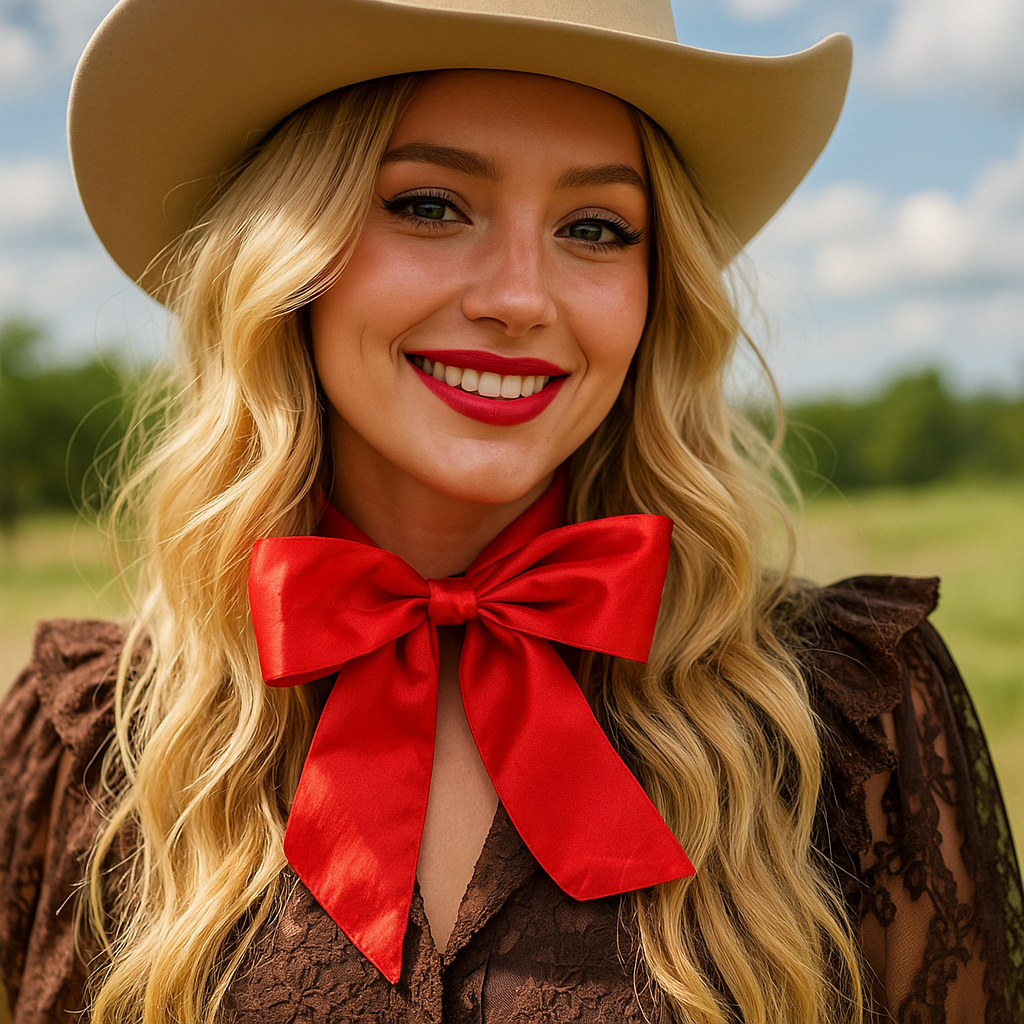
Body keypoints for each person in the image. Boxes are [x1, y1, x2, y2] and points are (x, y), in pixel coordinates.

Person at [1, 1, 1021, 1022]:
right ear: (288, 251)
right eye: (431, 205)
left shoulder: (851, 726)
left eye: (594, 227)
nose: (520, 297)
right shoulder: (91, 746)